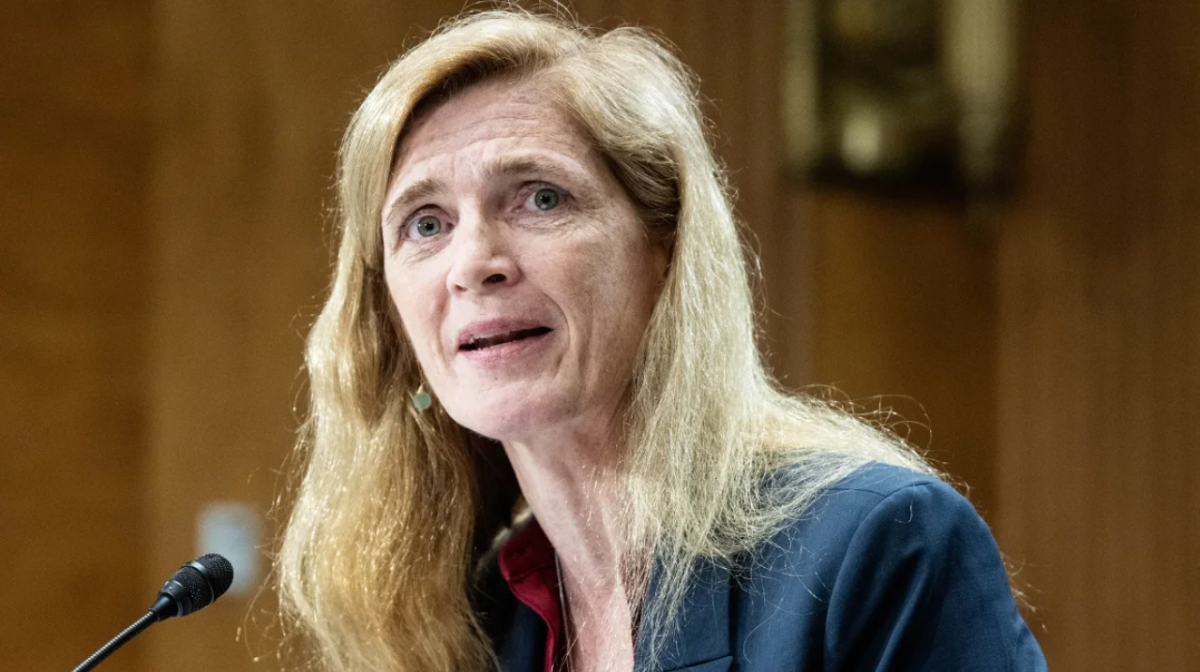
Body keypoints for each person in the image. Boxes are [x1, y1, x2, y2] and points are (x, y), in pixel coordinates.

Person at [276, 8, 1047, 672]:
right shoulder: (479, 623)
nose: (474, 263)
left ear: (665, 251)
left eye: (541, 198)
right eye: (426, 223)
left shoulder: (875, 551)